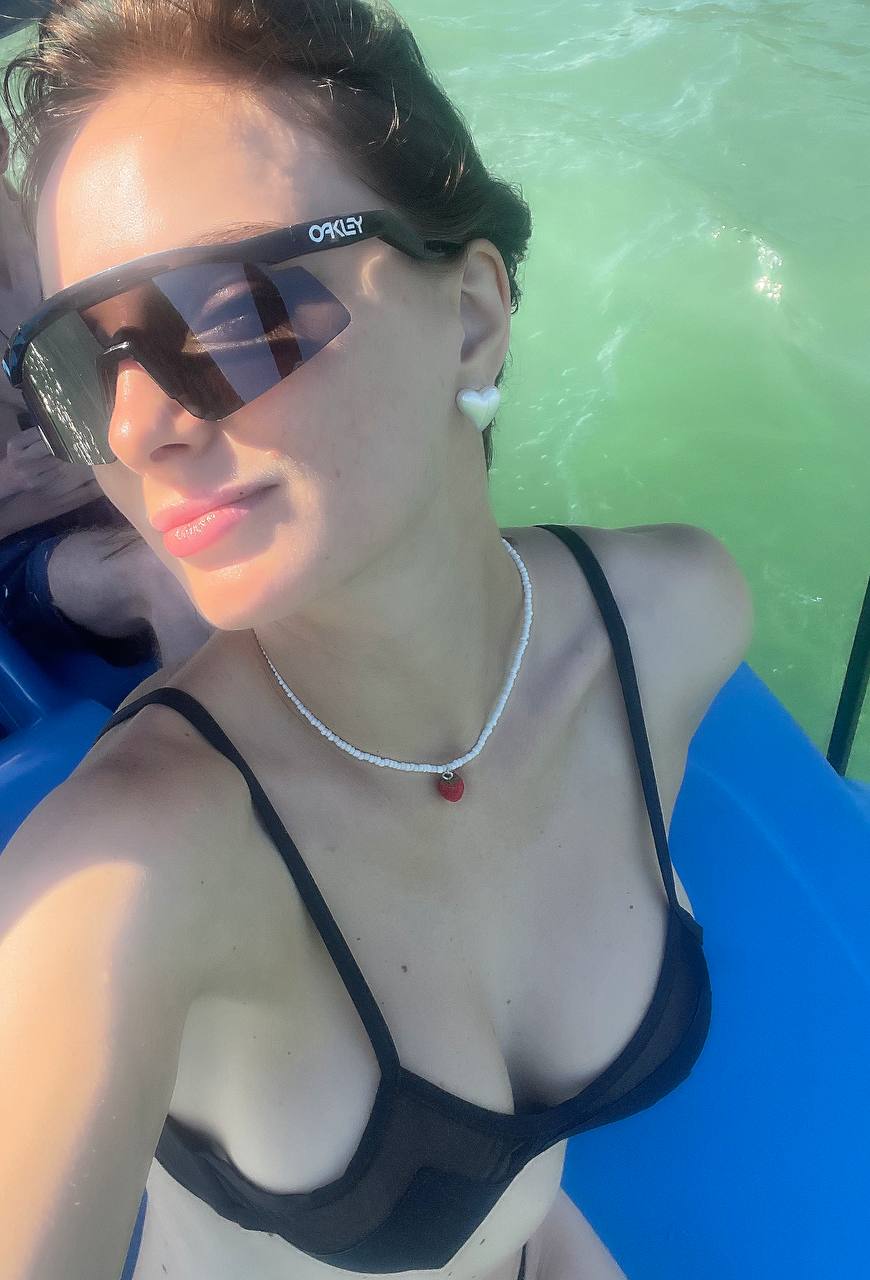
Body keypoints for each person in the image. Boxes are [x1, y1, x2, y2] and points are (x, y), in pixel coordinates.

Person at [0, 3, 754, 1280]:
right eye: (82, 362)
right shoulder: (123, 876)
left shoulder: (678, 617)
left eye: (227, 309)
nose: (135, 429)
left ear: (471, 317)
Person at [0, 118, 213, 673]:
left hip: (135, 476)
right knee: (166, 576)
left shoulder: (90, 235)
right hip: (31, 550)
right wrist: (16, 480)